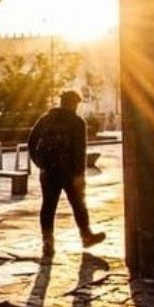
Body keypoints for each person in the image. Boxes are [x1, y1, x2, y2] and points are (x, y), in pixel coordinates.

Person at [28, 89, 106, 256]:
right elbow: (80, 151)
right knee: (79, 204)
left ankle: (47, 241)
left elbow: (31, 141)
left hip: (48, 171)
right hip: (69, 173)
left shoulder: (45, 119)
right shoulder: (77, 122)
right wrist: (80, 175)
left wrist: (40, 163)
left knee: (48, 206)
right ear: (74, 104)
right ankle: (86, 235)